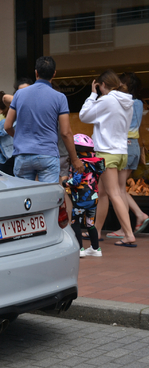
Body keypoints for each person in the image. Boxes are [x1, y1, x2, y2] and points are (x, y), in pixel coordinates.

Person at [4, 56, 83, 183]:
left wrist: (20, 138)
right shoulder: (60, 98)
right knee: (48, 199)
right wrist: (74, 159)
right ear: (54, 74)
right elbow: (65, 132)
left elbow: (7, 126)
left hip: (23, 154)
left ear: (36, 73)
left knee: (25, 197)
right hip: (48, 155)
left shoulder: (19, 94)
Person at [79, 70, 135, 247]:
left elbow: (84, 116)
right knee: (104, 192)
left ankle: (128, 234)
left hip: (106, 152)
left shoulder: (106, 100)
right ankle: (96, 230)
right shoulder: (128, 101)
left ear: (103, 85)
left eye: (99, 87)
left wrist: (92, 95)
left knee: (113, 194)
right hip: (121, 151)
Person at [97, 72, 149, 239]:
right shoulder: (139, 103)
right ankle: (124, 226)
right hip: (134, 145)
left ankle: (136, 217)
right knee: (116, 189)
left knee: (118, 190)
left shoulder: (121, 102)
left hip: (122, 145)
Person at [63, 134, 105, 257]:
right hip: (93, 198)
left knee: (75, 222)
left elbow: (76, 181)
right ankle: (95, 249)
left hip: (81, 199)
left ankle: (79, 249)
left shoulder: (79, 163)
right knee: (90, 223)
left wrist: (65, 183)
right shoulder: (93, 162)